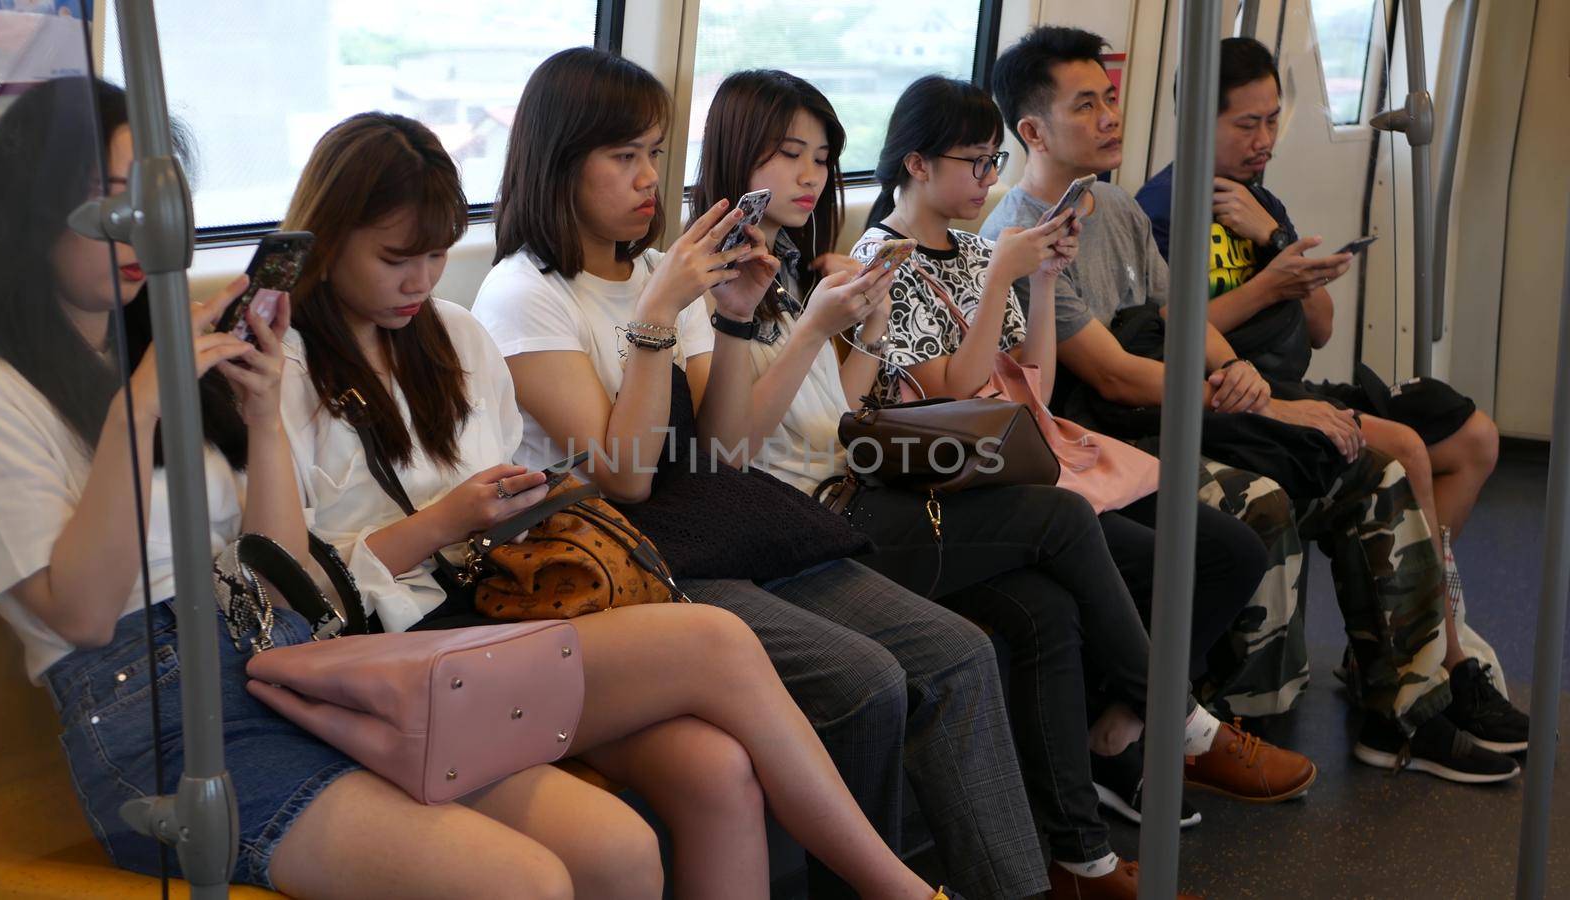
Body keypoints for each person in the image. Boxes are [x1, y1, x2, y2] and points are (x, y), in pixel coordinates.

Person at [0, 77, 944, 900]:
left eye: (151, 203)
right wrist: (149, 406)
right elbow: (87, 615)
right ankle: (895, 885)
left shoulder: (406, 343)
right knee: (553, 857)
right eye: (110, 201)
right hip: (164, 700)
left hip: (286, 655)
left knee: (626, 842)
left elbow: (276, 589)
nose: (138, 228)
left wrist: (258, 421)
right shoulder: (2, 387)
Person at [276, 108, 964, 900]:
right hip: (402, 638)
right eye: (397, 258)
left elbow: (712, 452)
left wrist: (522, 498)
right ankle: (901, 890)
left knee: (720, 770)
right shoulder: (296, 371)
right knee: (719, 639)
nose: (421, 282)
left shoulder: (455, 337)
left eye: (435, 256)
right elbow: (292, 588)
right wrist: (449, 520)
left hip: (503, 598)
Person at [691, 68, 1316, 899]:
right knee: (1062, 527)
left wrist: (881, 324)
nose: (811, 176)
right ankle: (1176, 720)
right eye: (789, 155)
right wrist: (846, 322)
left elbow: (858, 408)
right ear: (916, 165)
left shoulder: (810, 268)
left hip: (928, 468)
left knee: (1061, 601)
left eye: (821, 158)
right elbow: (767, 443)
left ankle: (1080, 859)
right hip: (857, 501)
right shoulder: (811, 268)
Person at [470, 48, 1033, 899]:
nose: (647, 179)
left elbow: (725, 451)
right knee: (867, 684)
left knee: (959, 653)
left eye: (655, 154)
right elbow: (623, 478)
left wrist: (730, 322)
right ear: (558, 163)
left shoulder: (664, 270)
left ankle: (1019, 890)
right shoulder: (525, 295)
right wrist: (659, 322)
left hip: (720, 518)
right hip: (632, 553)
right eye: (622, 157)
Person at [981, 25, 1522, 783]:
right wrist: (1266, 410)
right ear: (1032, 129)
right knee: (1260, 499)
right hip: (1108, 437)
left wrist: (1248, 381)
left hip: (1174, 412)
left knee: (1374, 471)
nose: (1111, 118)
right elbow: (1113, 377)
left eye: (1111, 100)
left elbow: (1180, 323)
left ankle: (1406, 709)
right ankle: (1235, 719)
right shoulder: (1018, 234)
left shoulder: (1116, 210)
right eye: (1087, 105)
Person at [1132, 36, 1525, 754]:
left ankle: (1409, 642)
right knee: (1400, 448)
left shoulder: (1258, 201)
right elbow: (1164, 331)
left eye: (1273, 120)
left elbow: (1318, 328)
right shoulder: (1162, 211)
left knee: (1471, 437)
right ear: (1198, 123)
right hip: (1233, 400)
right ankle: (1442, 662)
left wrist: (1276, 238)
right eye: (1246, 124)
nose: (1265, 140)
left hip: (1292, 381)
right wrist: (1267, 282)